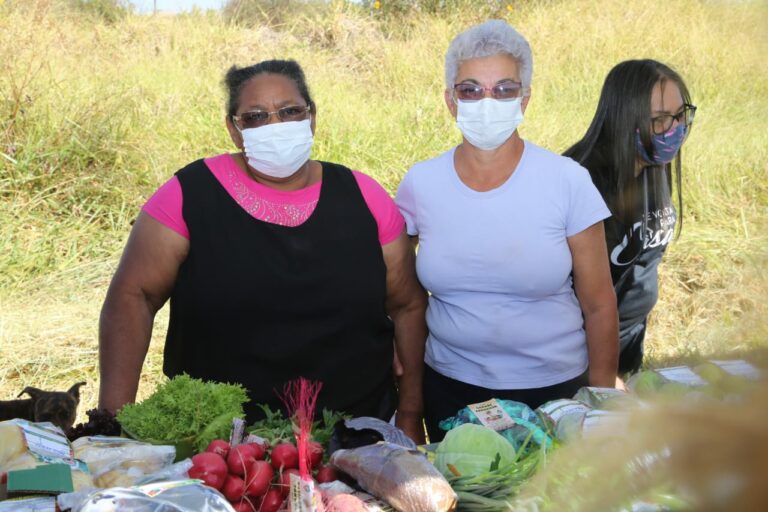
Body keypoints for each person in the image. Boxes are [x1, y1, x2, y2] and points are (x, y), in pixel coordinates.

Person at [98, 59, 427, 443]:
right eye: (255, 117)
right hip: (222, 445)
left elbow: (408, 305)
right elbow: (133, 296)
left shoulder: (363, 196)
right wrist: (111, 425)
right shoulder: (189, 195)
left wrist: (409, 414)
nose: (276, 126)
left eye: (290, 112)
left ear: (312, 117)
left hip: (356, 434)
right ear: (234, 130)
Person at [395, 20, 619, 442]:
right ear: (450, 101)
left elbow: (600, 304)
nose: (486, 101)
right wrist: (409, 402)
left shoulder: (566, 181)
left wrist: (599, 402)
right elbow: (399, 296)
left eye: (504, 89)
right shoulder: (420, 184)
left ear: (525, 99)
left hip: (553, 393)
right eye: (470, 89)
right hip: (450, 388)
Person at [564, 60, 696, 375]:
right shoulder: (582, 181)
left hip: (627, 347)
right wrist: (602, 376)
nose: (675, 130)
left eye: (681, 115)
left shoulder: (652, 164)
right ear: (625, 119)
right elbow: (564, 300)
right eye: (661, 119)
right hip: (581, 358)